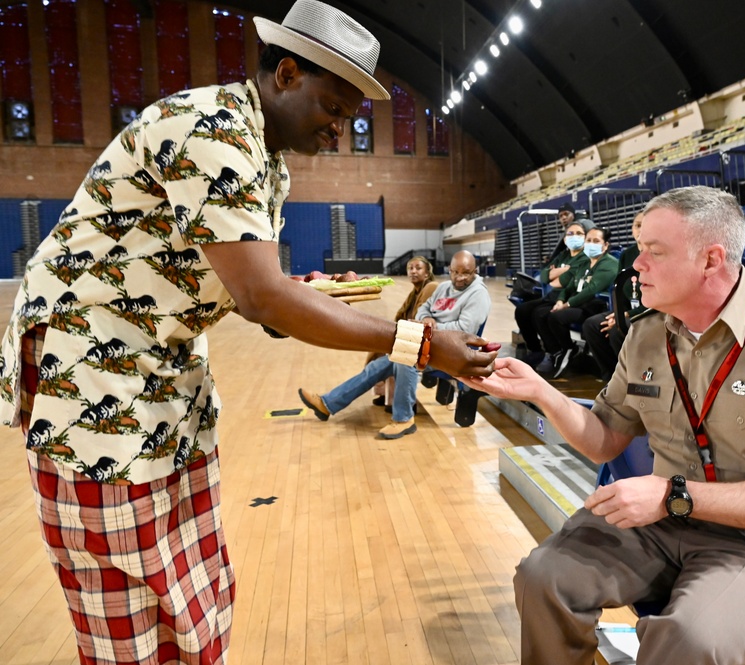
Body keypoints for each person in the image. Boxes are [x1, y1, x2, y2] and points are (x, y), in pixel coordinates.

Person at [0, 3, 496, 663]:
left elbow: (242, 288)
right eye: (332, 109)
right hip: (93, 378)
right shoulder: (213, 129)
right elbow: (262, 295)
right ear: (286, 73)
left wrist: (291, 300)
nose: (339, 132)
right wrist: (421, 345)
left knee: (190, 574)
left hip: (160, 372)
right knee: (127, 586)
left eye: (349, 118)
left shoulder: (267, 158)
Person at [465, 186, 745, 665]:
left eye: (654, 252)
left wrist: (673, 495)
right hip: (661, 522)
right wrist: (540, 392)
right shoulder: (648, 332)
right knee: (542, 578)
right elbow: (603, 441)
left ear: (711, 260)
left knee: (688, 642)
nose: (636, 265)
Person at [297, 251, 491, 439]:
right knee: (380, 363)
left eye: (466, 273)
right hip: (427, 344)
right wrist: (427, 319)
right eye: (455, 272)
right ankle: (327, 404)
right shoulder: (443, 287)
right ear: (450, 269)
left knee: (405, 358)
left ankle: (404, 418)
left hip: (452, 353)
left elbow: (466, 329)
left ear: (475, 271)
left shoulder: (478, 294)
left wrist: (433, 326)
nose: (459, 277)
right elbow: (423, 309)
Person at [538, 226, 619, 379]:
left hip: (594, 306)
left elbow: (591, 290)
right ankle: (565, 349)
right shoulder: (584, 264)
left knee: (556, 317)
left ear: (606, 245)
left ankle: (568, 349)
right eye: (588, 240)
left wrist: (567, 304)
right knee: (548, 314)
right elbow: (569, 287)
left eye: (596, 241)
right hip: (577, 304)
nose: (591, 244)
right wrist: (561, 300)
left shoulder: (610, 264)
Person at [515, 218, 593, 369]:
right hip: (552, 296)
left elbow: (563, 281)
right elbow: (544, 276)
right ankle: (536, 350)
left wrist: (556, 273)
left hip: (569, 296)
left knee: (539, 313)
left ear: (585, 237)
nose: (574, 236)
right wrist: (563, 271)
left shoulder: (585, 257)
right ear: (564, 238)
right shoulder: (563, 255)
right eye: (570, 233)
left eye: (578, 233)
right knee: (522, 310)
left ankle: (556, 351)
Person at [582, 211, 646, 381]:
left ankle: (631, 379)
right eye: (637, 225)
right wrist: (618, 313)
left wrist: (624, 315)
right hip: (627, 311)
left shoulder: (660, 254)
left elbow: (661, 299)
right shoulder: (627, 254)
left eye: (645, 225)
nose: (640, 230)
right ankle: (610, 378)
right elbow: (620, 289)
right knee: (593, 325)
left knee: (618, 330)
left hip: (650, 312)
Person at [370, 255, 437, 408]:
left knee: (388, 350)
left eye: (418, 268)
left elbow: (419, 318)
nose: (413, 271)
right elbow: (400, 316)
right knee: (377, 346)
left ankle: (397, 398)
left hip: (423, 339)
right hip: (411, 334)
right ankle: (386, 393)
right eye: (410, 268)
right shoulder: (414, 292)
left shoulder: (431, 287)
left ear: (427, 273)